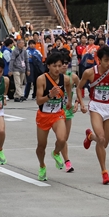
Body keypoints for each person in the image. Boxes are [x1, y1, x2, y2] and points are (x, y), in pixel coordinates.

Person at [78, 46, 109, 185]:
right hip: (96, 107)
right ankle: (104, 172)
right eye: (106, 60)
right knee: (102, 138)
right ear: (99, 59)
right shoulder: (90, 72)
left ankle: (90, 136)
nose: (108, 63)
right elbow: (79, 87)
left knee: (104, 143)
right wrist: (81, 103)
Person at [36, 52, 75, 181]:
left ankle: (56, 152)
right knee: (41, 146)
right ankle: (42, 166)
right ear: (48, 66)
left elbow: (69, 87)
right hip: (44, 115)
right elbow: (38, 101)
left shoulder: (65, 79)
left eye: (60, 65)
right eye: (54, 66)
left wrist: (69, 100)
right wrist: (50, 96)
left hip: (58, 114)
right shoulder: (42, 79)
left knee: (62, 139)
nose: (57, 69)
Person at [10, 38, 28, 102]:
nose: (23, 44)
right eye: (22, 43)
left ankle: (16, 96)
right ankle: (20, 95)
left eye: (23, 43)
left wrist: (28, 69)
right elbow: (12, 61)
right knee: (17, 83)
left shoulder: (24, 51)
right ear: (18, 44)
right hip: (16, 69)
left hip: (22, 69)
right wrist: (10, 70)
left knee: (20, 83)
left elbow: (26, 60)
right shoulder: (14, 51)